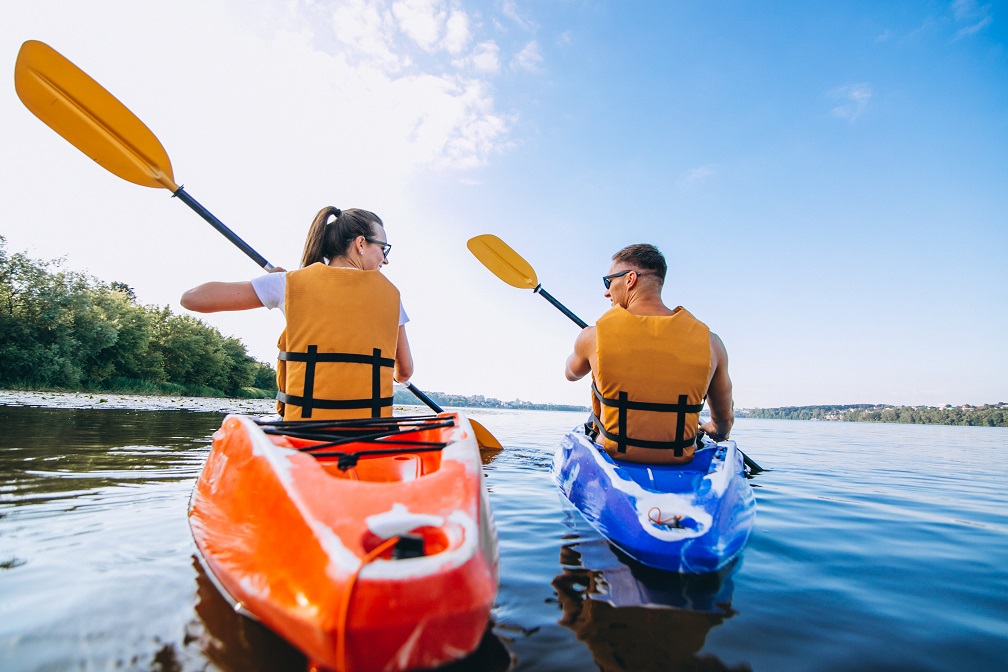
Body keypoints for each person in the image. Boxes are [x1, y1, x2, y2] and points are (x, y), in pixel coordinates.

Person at [181, 206, 413, 420]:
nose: (386, 259)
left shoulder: (288, 284)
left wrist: (276, 283)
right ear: (361, 244)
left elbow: (191, 299)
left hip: (301, 430)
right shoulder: (392, 296)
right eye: (383, 248)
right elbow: (405, 372)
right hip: (370, 433)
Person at [564, 244, 732, 465]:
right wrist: (716, 430)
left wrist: (591, 338)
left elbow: (571, 373)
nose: (606, 291)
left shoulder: (593, 337)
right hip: (680, 460)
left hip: (613, 455)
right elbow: (724, 420)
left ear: (630, 279)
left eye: (609, 281)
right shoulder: (712, 343)